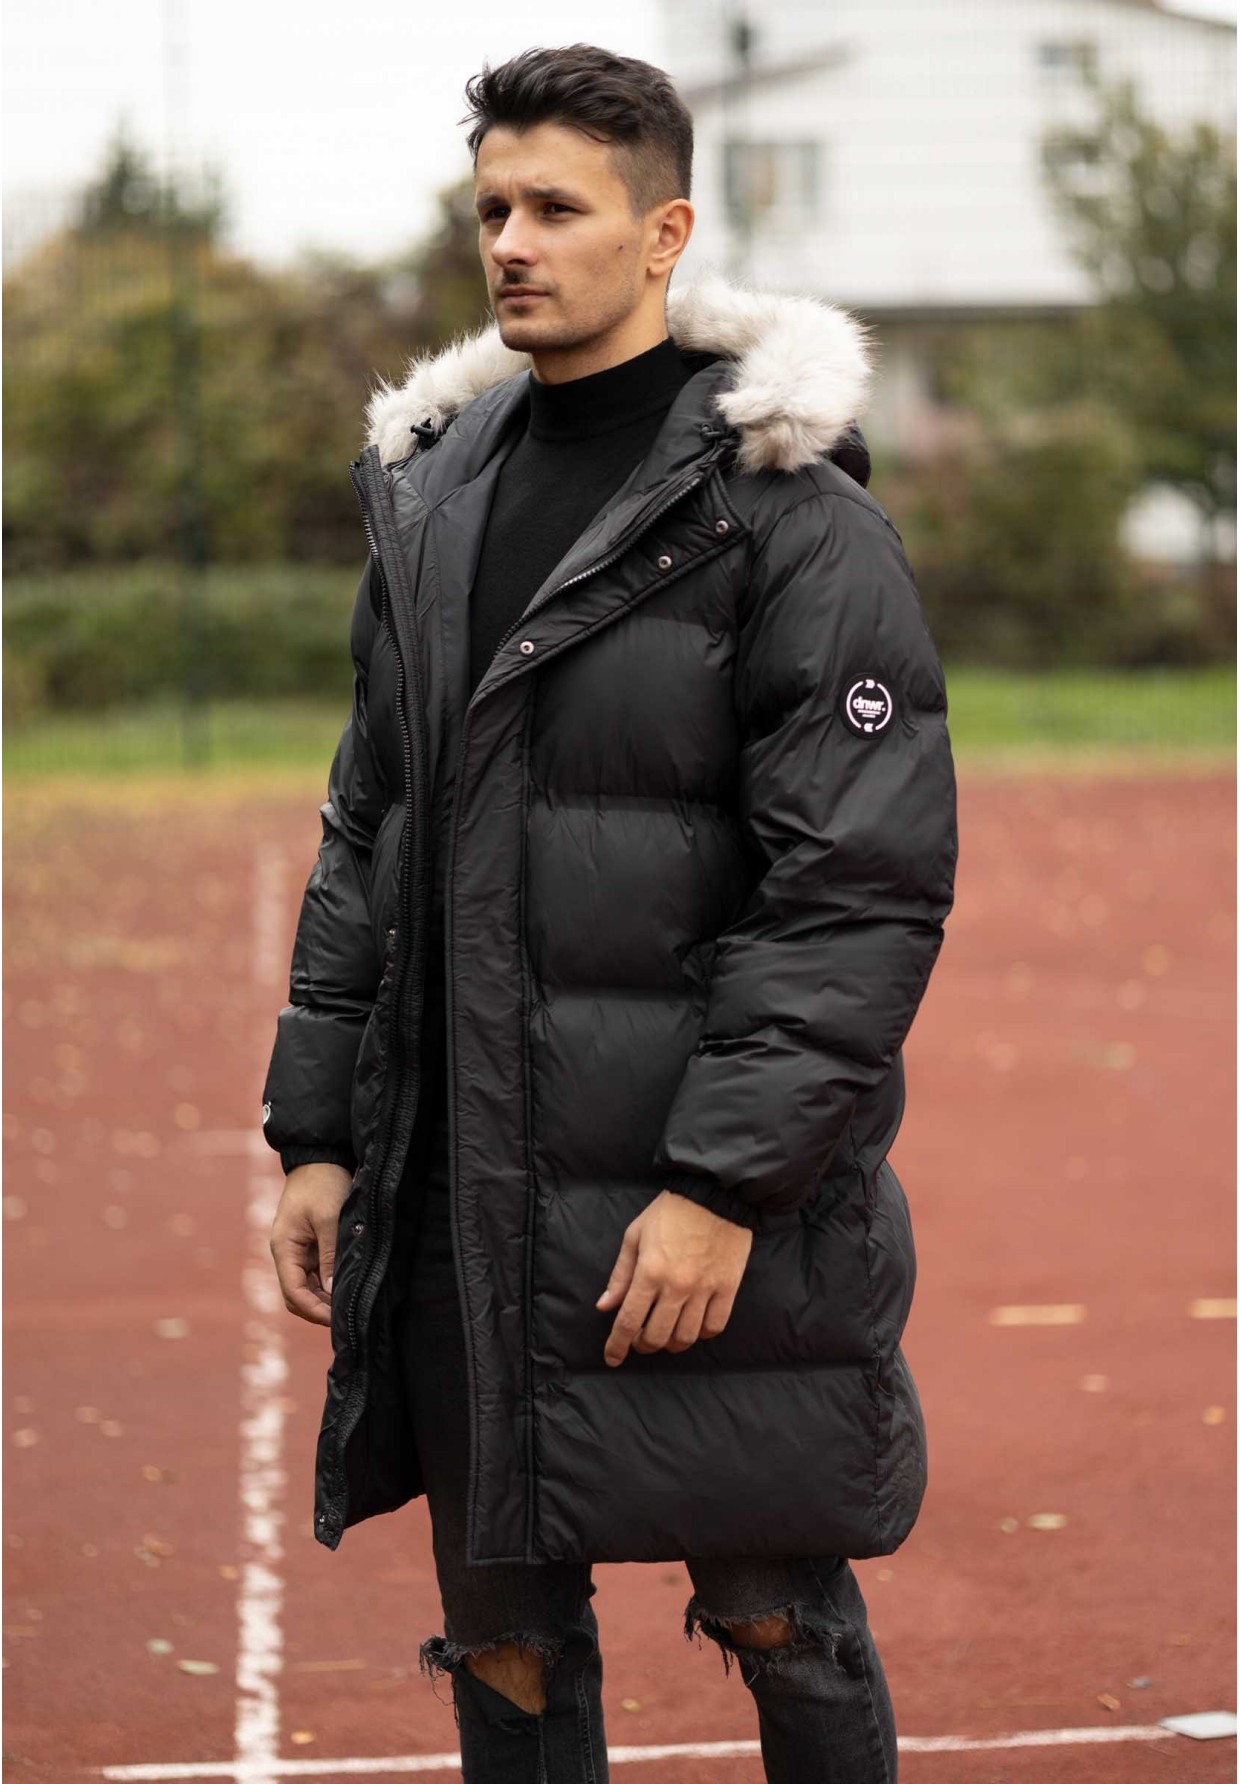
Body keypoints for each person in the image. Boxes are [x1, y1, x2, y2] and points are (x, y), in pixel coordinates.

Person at [262, 41, 958, 1784]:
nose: (512, 242)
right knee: (502, 1653)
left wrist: (724, 1188)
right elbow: (368, 832)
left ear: (665, 234)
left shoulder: (791, 516)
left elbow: (854, 891)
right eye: (492, 207)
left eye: (557, 208)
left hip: (695, 1199)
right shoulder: (430, 501)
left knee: (778, 1619)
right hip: (464, 1194)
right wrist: (321, 1134)